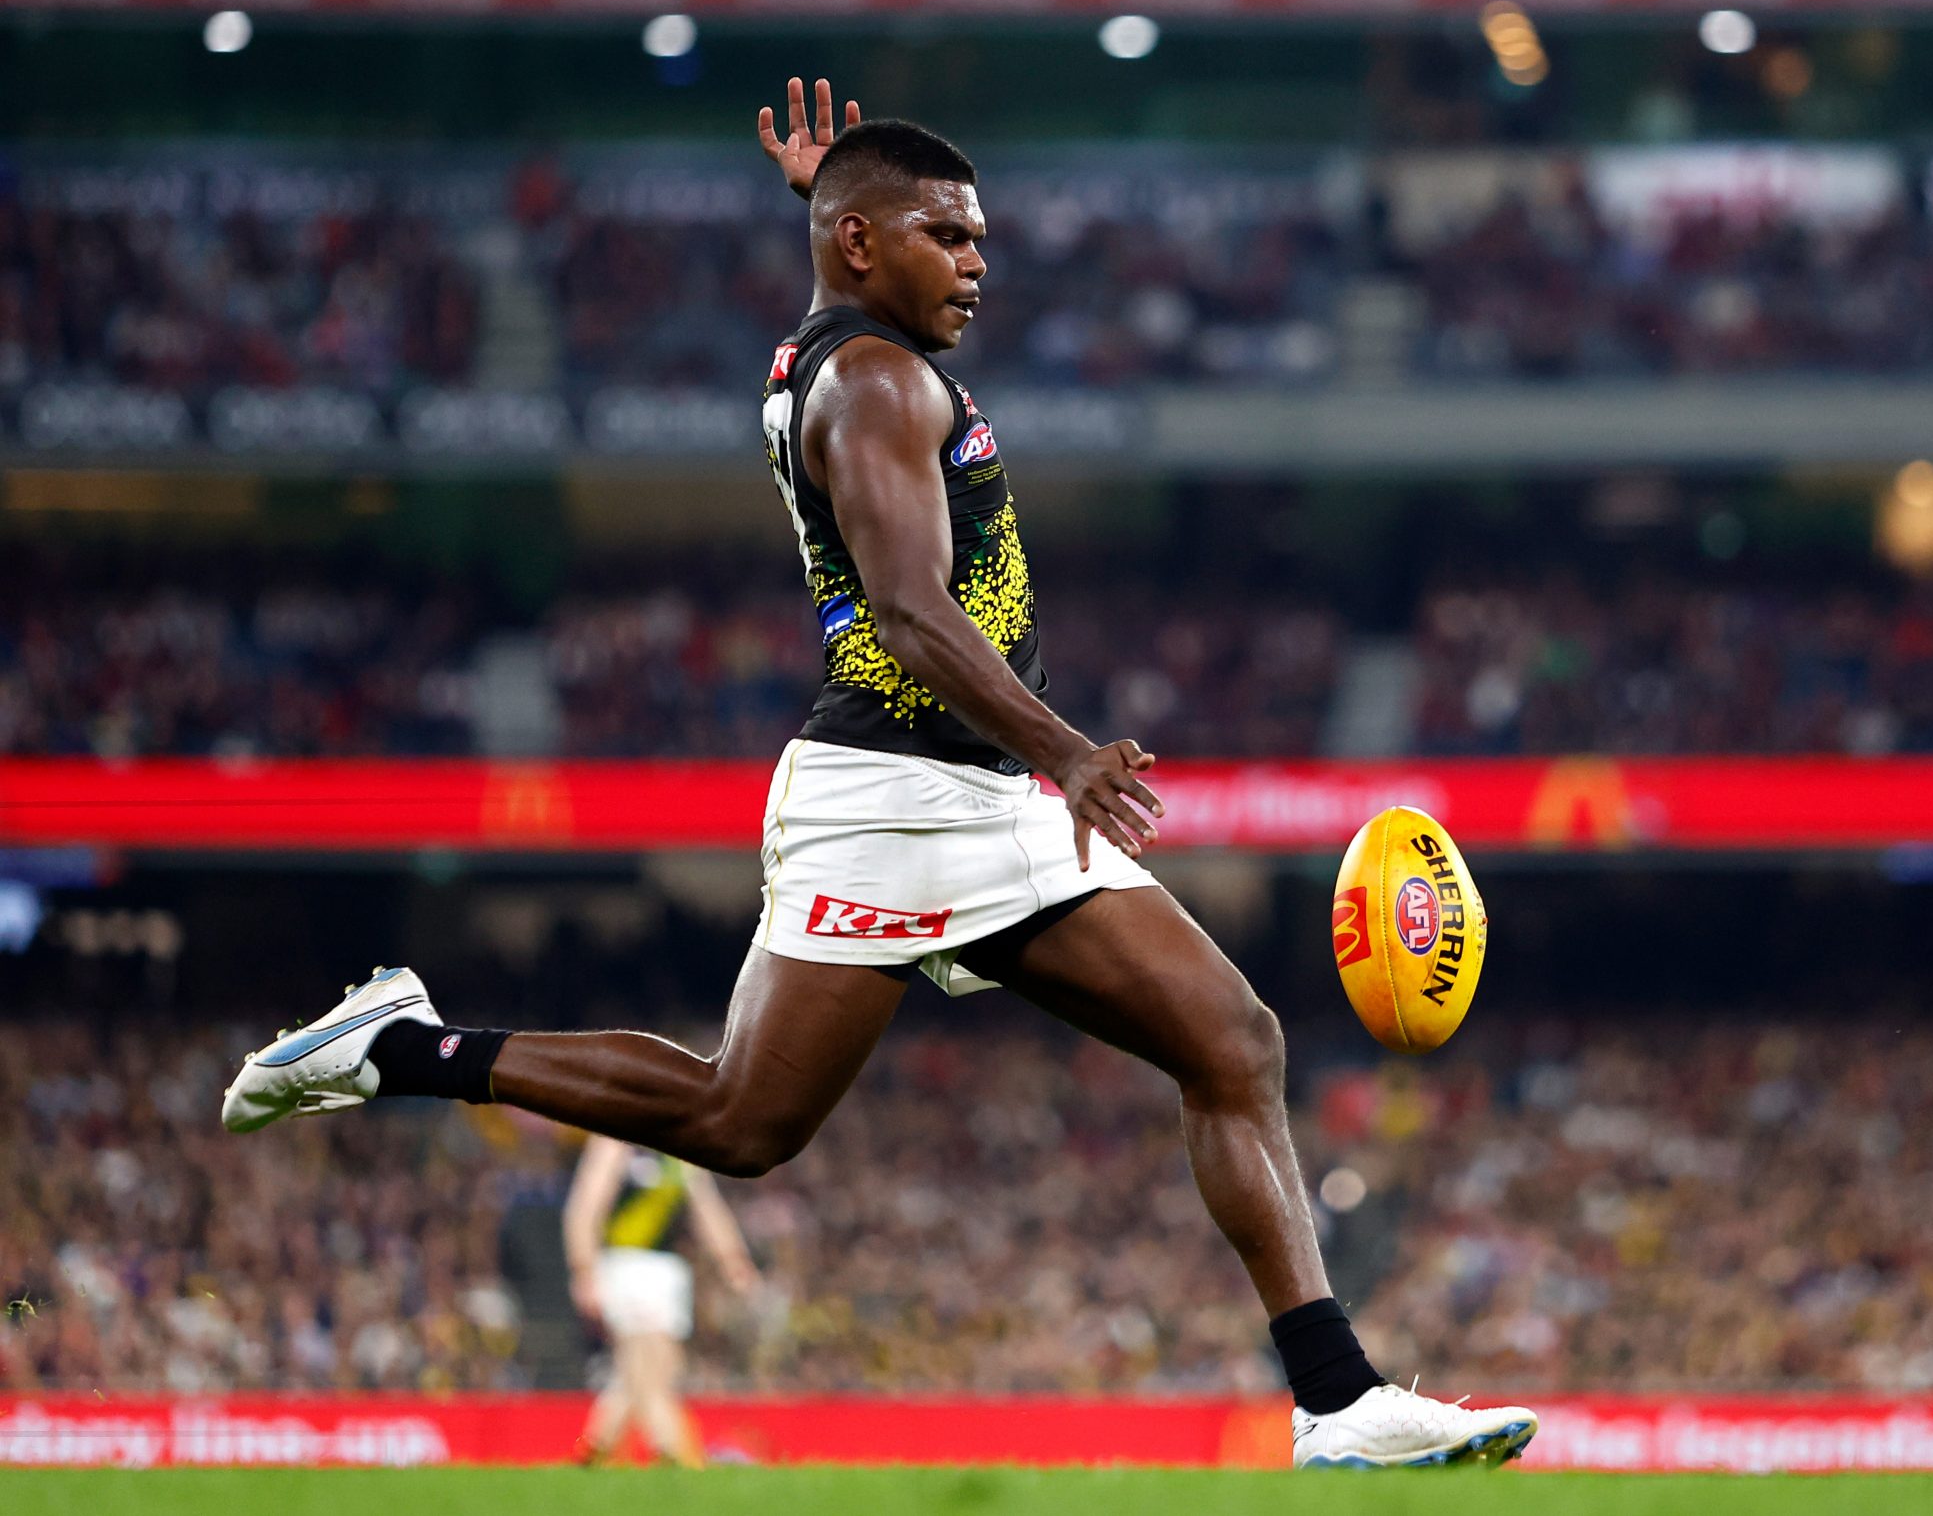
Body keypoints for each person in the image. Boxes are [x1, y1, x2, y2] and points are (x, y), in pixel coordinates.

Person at [221, 78, 1534, 1470]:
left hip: (974, 796)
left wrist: (834, 197)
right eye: (947, 235)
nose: (979, 261)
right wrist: (1066, 749)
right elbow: (909, 608)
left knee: (1233, 1038)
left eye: (979, 238)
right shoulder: (873, 381)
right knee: (741, 1119)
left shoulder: (845, 352)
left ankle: (1333, 1395)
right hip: (897, 798)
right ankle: (397, 1045)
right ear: (863, 246)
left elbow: (869, 371)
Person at [565, 1137, 761, 1468]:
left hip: (667, 1273)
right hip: (625, 1265)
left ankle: (595, 1444)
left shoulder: (679, 1152)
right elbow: (586, 1205)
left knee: (637, 1369)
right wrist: (583, 1268)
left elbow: (707, 1209)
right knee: (654, 1361)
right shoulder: (616, 1144)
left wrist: (734, 1260)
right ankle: (668, 1446)